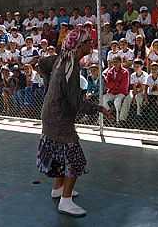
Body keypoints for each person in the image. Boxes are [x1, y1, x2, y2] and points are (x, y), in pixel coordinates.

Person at [36, 28, 111, 217]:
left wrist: (49, 87)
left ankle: (58, 189)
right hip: (59, 119)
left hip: (51, 114)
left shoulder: (62, 58)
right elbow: (76, 102)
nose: (91, 45)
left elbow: (41, 63)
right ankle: (66, 201)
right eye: (88, 42)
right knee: (75, 160)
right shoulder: (71, 67)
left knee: (59, 154)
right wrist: (99, 108)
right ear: (79, 46)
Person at [103, 56, 129, 123]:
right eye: (113, 62)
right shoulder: (110, 71)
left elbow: (123, 86)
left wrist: (113, 85)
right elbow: (107, 84)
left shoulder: (125, 72)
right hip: (112, 92)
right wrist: (116, 84)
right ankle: (109, 114)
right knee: (103, 98)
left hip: (121, 92)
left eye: (116, 62)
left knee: (117, 102)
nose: (115, 63)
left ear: (120, 62)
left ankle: (118, 121)